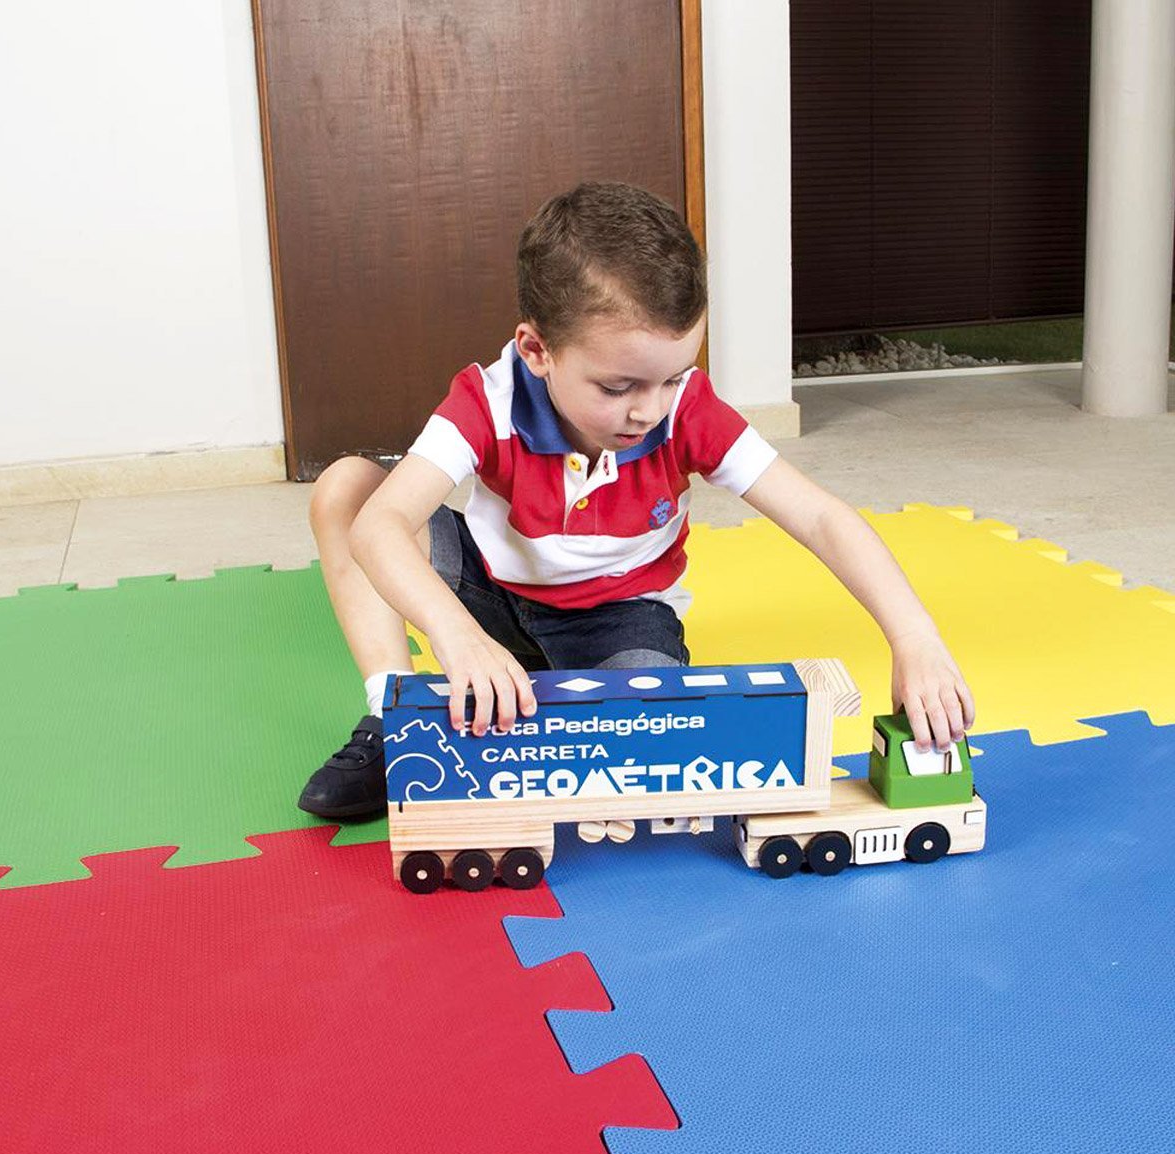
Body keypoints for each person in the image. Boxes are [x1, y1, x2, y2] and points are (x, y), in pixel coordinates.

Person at [297, 181, 975, 820]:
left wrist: (915, 637)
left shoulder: (685, 411)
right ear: (537, 349)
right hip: (492, 595)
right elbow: (381, 526)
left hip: (616, 617)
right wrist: (458, 637)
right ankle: (393, 715)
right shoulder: (489, 398)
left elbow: (823, 517)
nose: (646, 411)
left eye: (673, 378)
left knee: (649, 764)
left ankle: (550, 696)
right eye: (618, 387)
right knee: (349, 489)